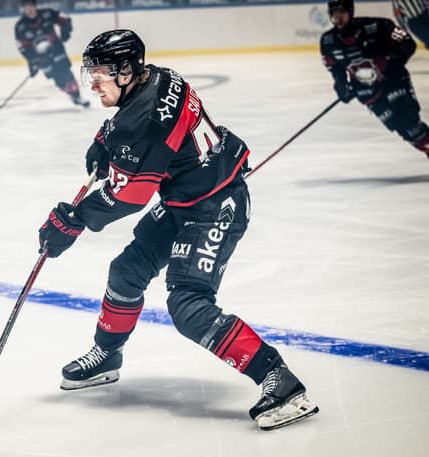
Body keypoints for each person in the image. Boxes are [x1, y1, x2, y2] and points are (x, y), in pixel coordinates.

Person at [37, 29, 319, 430]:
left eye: (100, 75)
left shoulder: (145, 123)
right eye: (91, 74)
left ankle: (281, 381)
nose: (93, 84)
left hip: (216, 206)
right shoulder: (159, 76)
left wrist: (74, 220)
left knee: (189, 305)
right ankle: (108, 355)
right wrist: (106, 138)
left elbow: (130, 195)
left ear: (126, 71)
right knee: (126, 272)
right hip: (184, 200)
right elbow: (135, 124)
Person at [321, 0, 429, 158]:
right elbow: (334, 67)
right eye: (335, 14)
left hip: (394, 81)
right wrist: (342, 86)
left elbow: (407, 42)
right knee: (402, 129)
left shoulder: (379, 26)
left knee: (409, 122)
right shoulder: (327, 41)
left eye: (342, 12)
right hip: (367, 92)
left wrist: (392, 61)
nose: (339, 18)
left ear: (350, 12)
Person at [14, 0, 89, 108]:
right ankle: (71, 93)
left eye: (31, 6)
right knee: (56, 77)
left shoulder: (47, 13)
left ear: (35, 6)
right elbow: (22, 47)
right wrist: (33, 61)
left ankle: (76, 95)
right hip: (41, 57)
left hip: (56, 49)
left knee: (64, 70)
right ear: (23, 8)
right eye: (26, 7)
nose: (29, 9)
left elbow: (65, 18)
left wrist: (66, 30)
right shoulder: (20, 26)